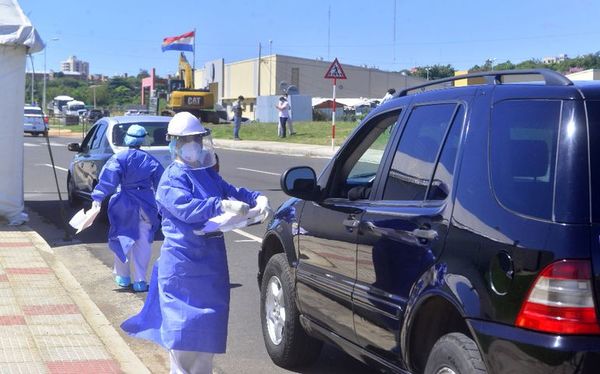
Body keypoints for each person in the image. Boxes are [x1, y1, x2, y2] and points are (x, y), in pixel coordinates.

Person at [121, 112, 273, 374]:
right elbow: (185, 207)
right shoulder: (171, 177)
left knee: (206, 344)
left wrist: (257, 199)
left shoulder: (207, 174)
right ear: (174, 143)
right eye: (187, 139)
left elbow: (233, 192)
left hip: (211, 267)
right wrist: (220, 205)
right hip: (182, 268)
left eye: (197, 138)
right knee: (183, 343)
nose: (194, 144)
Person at [91, 124, 164, 292]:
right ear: (143, 139)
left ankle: (123, 277)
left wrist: (97, 198)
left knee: (122, 239)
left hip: (123, 204)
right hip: (146, 204)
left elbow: (107, 181)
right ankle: (140, 280)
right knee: (143, 243)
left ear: (127, 138)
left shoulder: (119, 158)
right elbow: (161, 185)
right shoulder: (151, 160)